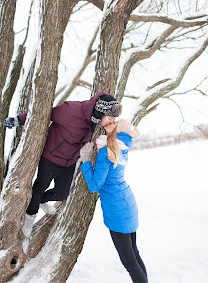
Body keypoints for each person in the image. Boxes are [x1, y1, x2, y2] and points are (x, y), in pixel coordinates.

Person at [3, 92, 122, 237]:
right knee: (39, 188)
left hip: (70, 162)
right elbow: (43, 114)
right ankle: (29, 219)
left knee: (62, 193)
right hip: (51, 157)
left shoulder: (95, 122)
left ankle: (40, 201)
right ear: (100, 112)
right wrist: (18, 120)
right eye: (110, 117)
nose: (111, 121)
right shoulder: (70, 110)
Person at [80, 119, 148, 283]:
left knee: (130, 262)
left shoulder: (107, 151)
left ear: (119, 129)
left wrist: (86, 161)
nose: (111, 122)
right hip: (127, 203)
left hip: (117, 208)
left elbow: (95, 185)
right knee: (134, 254)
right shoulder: (123, 145)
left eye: (115, 121)